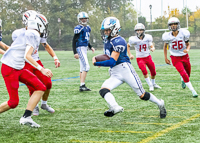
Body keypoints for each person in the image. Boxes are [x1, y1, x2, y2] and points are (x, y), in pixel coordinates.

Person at [92, 17, 166, 118]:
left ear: (115, 29)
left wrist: (97, 63)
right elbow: (109, 57)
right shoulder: (108, 41)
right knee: (104, 90)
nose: (105, 32)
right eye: (105, 30)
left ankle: (160, 103)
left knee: (142, 95)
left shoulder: (119, 41)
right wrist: (100, 60)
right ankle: (115, 107)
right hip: (114, 72)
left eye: (108, 30)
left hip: (125, 70)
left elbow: (112, 61)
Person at [0, 14, 53, 127]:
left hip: (18, 67)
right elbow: (27, 56)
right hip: (10, 68)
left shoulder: (28, 32)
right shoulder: (33, 34)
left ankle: (26, 117)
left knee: (41, 87)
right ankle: (27, 116)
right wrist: (42, 69)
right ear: (39, 25)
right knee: (13, 102)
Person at [12, 10, 61, 116]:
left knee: (48, 83)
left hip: (35, 60)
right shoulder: (18, 33)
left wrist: (55, 57)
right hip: (25, 63)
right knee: (32, 86)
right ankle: (34, 106)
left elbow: (46, 45)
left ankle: (44, 104)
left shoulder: (37, 32)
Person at [162, 17, 198, 98]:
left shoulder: (183, 33)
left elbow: (188, 44)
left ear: (178, 25)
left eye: (175, 24)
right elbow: (165, 47)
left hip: (185, 56)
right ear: (169, 26)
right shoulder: (167, 36)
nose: (173, 26)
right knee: (184, 74)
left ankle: (182, 79)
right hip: (175, 57)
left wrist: (187, 49)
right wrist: (165, 58)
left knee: (188, 73)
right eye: (172, 24)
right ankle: (193, 91)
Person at [127, 23, 161, 91]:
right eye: (137, 30)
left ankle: (153, 83)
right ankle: (150, 85)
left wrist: (153, 48)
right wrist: (130, 54)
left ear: (143, 30)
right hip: (140, 58)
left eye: (140, 30)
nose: (139, 31)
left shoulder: (148, 37)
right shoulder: (133, 39)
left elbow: (151, 45)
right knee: (144, 70)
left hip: (148, 57)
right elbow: (128, 45)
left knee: (153, 71)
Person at [72, 11, 95, 91]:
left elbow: (86, 39)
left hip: (85, 48)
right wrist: (75, 52)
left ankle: (82, 85)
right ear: (79, 19)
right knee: (86, 66)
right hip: (80, 47)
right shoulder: (78, 28)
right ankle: (82, 85)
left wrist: (90, 47)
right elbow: (74, 40)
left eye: (85, 18)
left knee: (82, 67)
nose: (84, 20)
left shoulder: (88, 28)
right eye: (82, 18)